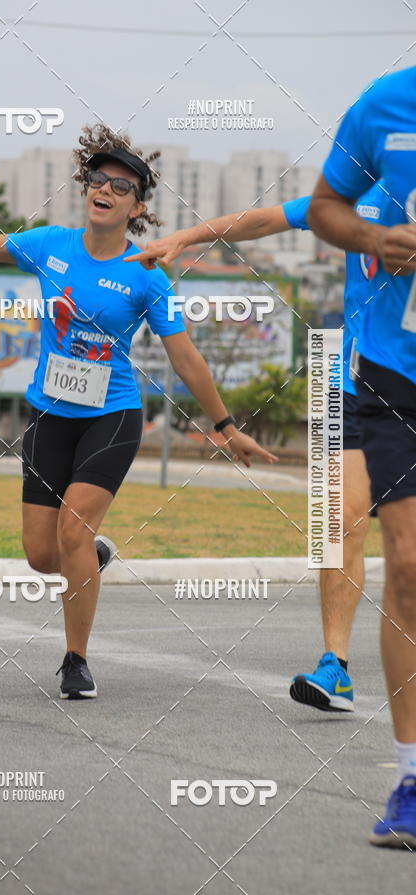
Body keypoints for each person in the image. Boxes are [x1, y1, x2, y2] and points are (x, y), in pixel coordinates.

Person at [0, 124, 276, 702]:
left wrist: (225, 426)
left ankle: (76, 660)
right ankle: (93, 555)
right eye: (97, 179)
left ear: (137, 206)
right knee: (43, 556)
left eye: (121, 185)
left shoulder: (148, 272)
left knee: (73, 528)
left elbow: (184, 357)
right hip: (49, 416)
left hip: (111, 416)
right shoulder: (50, 245)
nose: (104, 189)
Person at [127, 191, 379, 712]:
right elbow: (263, 219)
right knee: (338, 519)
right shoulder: (358, 191)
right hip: (355, 380)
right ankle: (336, 667)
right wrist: (185, 237)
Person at [308, 65, 416, 848]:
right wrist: (375, 237)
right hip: (389, 371)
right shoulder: (384, 103)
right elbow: (313, 207)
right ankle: (411, 778)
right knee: (407, 567)